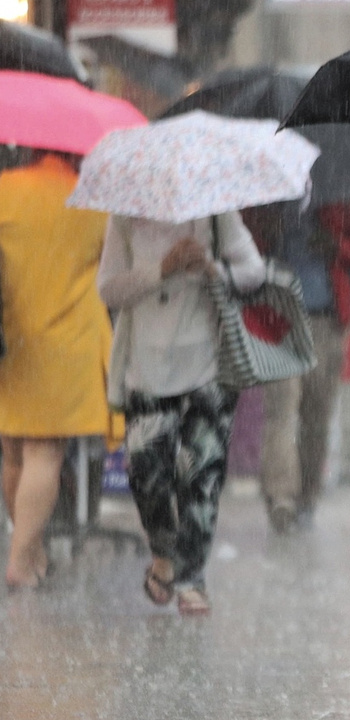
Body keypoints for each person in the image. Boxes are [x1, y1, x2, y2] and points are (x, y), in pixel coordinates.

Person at [98, 211, 265, 616]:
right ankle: (163, 553)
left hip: (208, 367)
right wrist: (163, 268)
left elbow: (253, 271)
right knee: (147, 470)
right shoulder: (125, 215)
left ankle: (191, 576)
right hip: (146, 369)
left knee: (200, 472)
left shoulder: (215, 212)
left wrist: (213, 269)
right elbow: (109, 290)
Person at [0, 151, 113, 589]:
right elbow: (111, 266)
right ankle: (21, 559)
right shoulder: (89, 200)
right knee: (44, 454)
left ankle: (32, 549)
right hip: (65, 343)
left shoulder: (6, 189)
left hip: (11, 339)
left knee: (13, 452)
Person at [240, 198, 350, 533]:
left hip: (325, 320)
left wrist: (336, 247)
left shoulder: (343, 196)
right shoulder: (268, 195)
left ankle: (307, 497)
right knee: (282, 412)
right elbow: (242, 249)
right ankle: (280, 497)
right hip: (278, 316)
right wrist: (265, 236)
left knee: (317, 416)